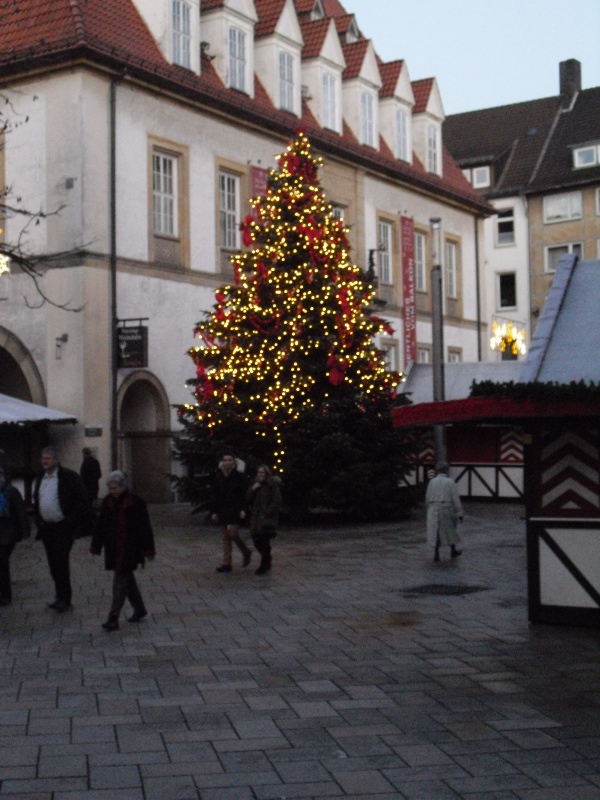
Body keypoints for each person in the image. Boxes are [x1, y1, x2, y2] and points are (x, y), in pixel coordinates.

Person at [90, 470, 155, 631]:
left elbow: (144, 528)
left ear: (123, 486)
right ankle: (139, 609)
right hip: (113, 548)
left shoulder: (136, 503)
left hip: (130, 549)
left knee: (119, 582)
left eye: (115, 488)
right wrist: (96, 545)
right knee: (127, 580)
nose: (112, 491)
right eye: (110, 488)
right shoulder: (107, 502)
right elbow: (101, 526)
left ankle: (113, 618)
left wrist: (148, 550)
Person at [33, 445, 89, 612]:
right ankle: (59, 596)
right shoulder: (41, 477)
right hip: (46, 528)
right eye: (43, 458)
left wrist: (70, 522)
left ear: (56, 460)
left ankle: (65, 599)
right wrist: (39, 520)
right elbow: (37, 500)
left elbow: (81, 501)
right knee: (53, 564)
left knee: (61, 562)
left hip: (62, 527)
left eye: (48, 458)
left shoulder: (68, 477)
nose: (44, 461)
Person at [209, 451, 252, 573]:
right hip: (223, 509)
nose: (227, 462)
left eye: (229, 460)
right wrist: (214, 511)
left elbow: (244, 494)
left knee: (232, 533)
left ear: (234, 462)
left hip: (236, 509)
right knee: (225, 537)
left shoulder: (239, 476)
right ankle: (227, 563)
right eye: (225, 460)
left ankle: (246, 551)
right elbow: (215, 494)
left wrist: (243, 509)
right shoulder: (218, 475)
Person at [0, 463, 31, 605]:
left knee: (2, 561)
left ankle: (5, 595)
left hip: (8, 532)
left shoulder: (11, 491)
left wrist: (25, 530)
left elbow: (20, 511)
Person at [246, 464, 282, 575]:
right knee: (256, 541)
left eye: (262, 472)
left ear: (267, 473)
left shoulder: (272, 485)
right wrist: (253, 489)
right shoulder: (255, 484)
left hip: (267, 518)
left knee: (265, 541)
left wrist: (267, 512)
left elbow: (276, 501)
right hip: (256, 518)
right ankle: (267, 559)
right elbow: (247, 498)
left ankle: (264, 564)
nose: (260, 474)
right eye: (259, 472)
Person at [426, 461, 464, 563]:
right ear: (446, 470)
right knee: (450, 529)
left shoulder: (432, 482)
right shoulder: (450, 482)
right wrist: (459, 513)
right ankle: (453, 550)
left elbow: (428, 497)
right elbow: (455, 498)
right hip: (447, 508)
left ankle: (436, 553)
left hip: (433, 509)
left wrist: (428, 508)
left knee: (435, 531)